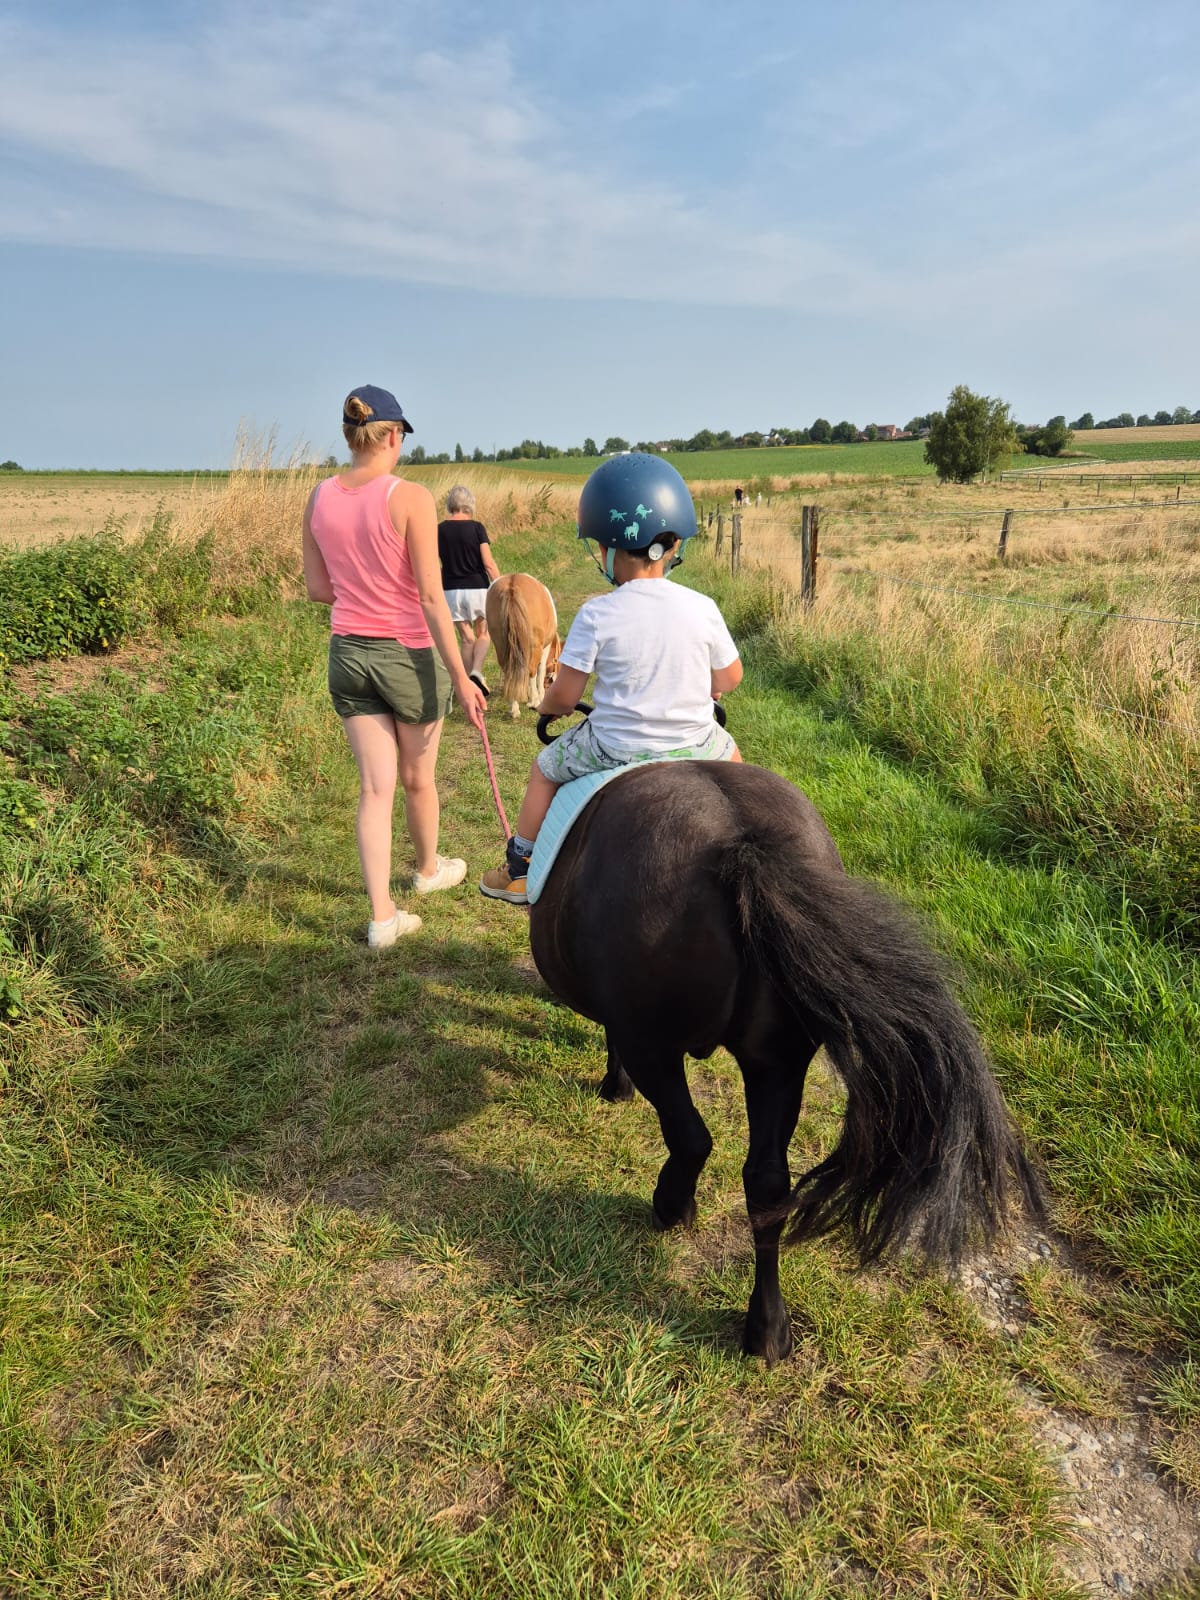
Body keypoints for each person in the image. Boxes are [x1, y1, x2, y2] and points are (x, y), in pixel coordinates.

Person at [479, 453, 742, 906]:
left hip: (614, 746)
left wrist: (549, 707)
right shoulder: (703, 606)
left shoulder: (597, 613)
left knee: (543, 772)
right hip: (696, 741)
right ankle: (743, 839)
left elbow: (566, 694)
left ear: (609, 550)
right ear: (674, 544)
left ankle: (519, 865)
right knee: (736, 759)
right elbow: (730, 678)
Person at [303, 385, 488, 947]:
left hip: (348, 653)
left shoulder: (318, 496)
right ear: (390, 435)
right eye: (402, 434)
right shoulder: (410, 497)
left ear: (348, 436)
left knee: (374, 788)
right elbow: (433, 599)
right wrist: (462, 676)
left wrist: (360, 584)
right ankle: (428, 871)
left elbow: (317, 588)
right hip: (405, 655)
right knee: (417, 778)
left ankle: (383, 918)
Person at [437, 485, 500, 695]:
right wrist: (500, 584)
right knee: (483, 634)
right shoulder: (477, 528)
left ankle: (469, 684)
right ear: (470, 504)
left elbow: (432, 563)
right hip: (478, 589)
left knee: (466, 638)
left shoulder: (440, 530)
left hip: (451, 592)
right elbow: (488, 562)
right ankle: (476, 671)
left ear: (451, 505)